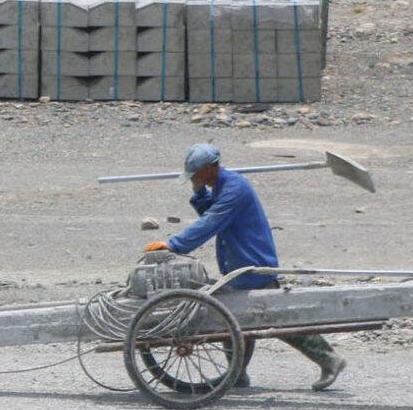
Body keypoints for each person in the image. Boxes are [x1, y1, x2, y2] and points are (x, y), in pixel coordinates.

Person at [143, 144, 346, 390]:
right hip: (239, 262)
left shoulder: (235, 189)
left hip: (253, 263)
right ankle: (237, 373)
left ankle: (328, 359)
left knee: (266, 317)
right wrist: (199, 191)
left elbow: (212, 221)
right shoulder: (221, 185)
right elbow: (213, 213)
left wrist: (173, 245)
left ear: (209, 169)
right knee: (242, 318)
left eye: (196, 175)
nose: (193, 179)